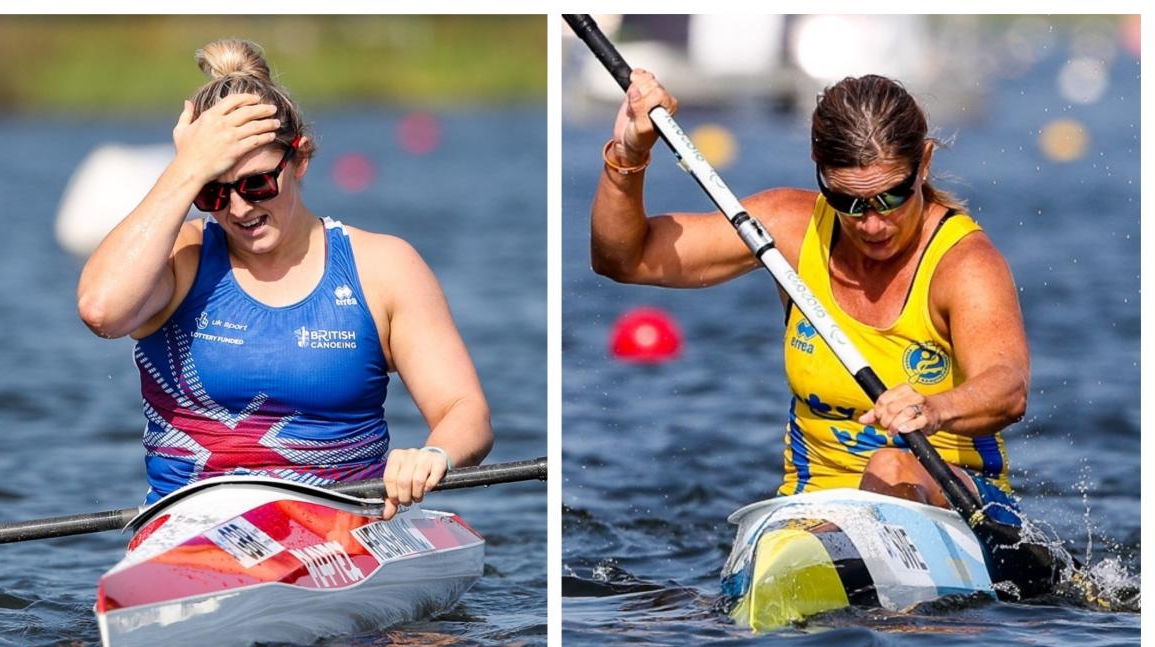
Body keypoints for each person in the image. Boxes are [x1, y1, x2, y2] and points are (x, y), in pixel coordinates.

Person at [78, 39, 492, 518]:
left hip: (341, 534)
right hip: (188, 533)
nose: (239, 208)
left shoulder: (383, 267)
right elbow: (101, 311)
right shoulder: (180, 259)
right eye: (213, 192)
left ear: (300, 160)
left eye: (257, 184)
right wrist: (185, 169)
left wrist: (432, 456)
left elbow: (465, 411)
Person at [589, 69, 1028, 515]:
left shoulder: (963, 263)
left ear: (925, 163)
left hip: (959, 505)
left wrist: (935, 408)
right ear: (819, 171)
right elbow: (625, 259)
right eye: (848, 202)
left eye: (891, 197)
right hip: (819, 511)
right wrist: (629, 153)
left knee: (892, 465)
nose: (872, 224)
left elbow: (1007, 388)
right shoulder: (789, 230)